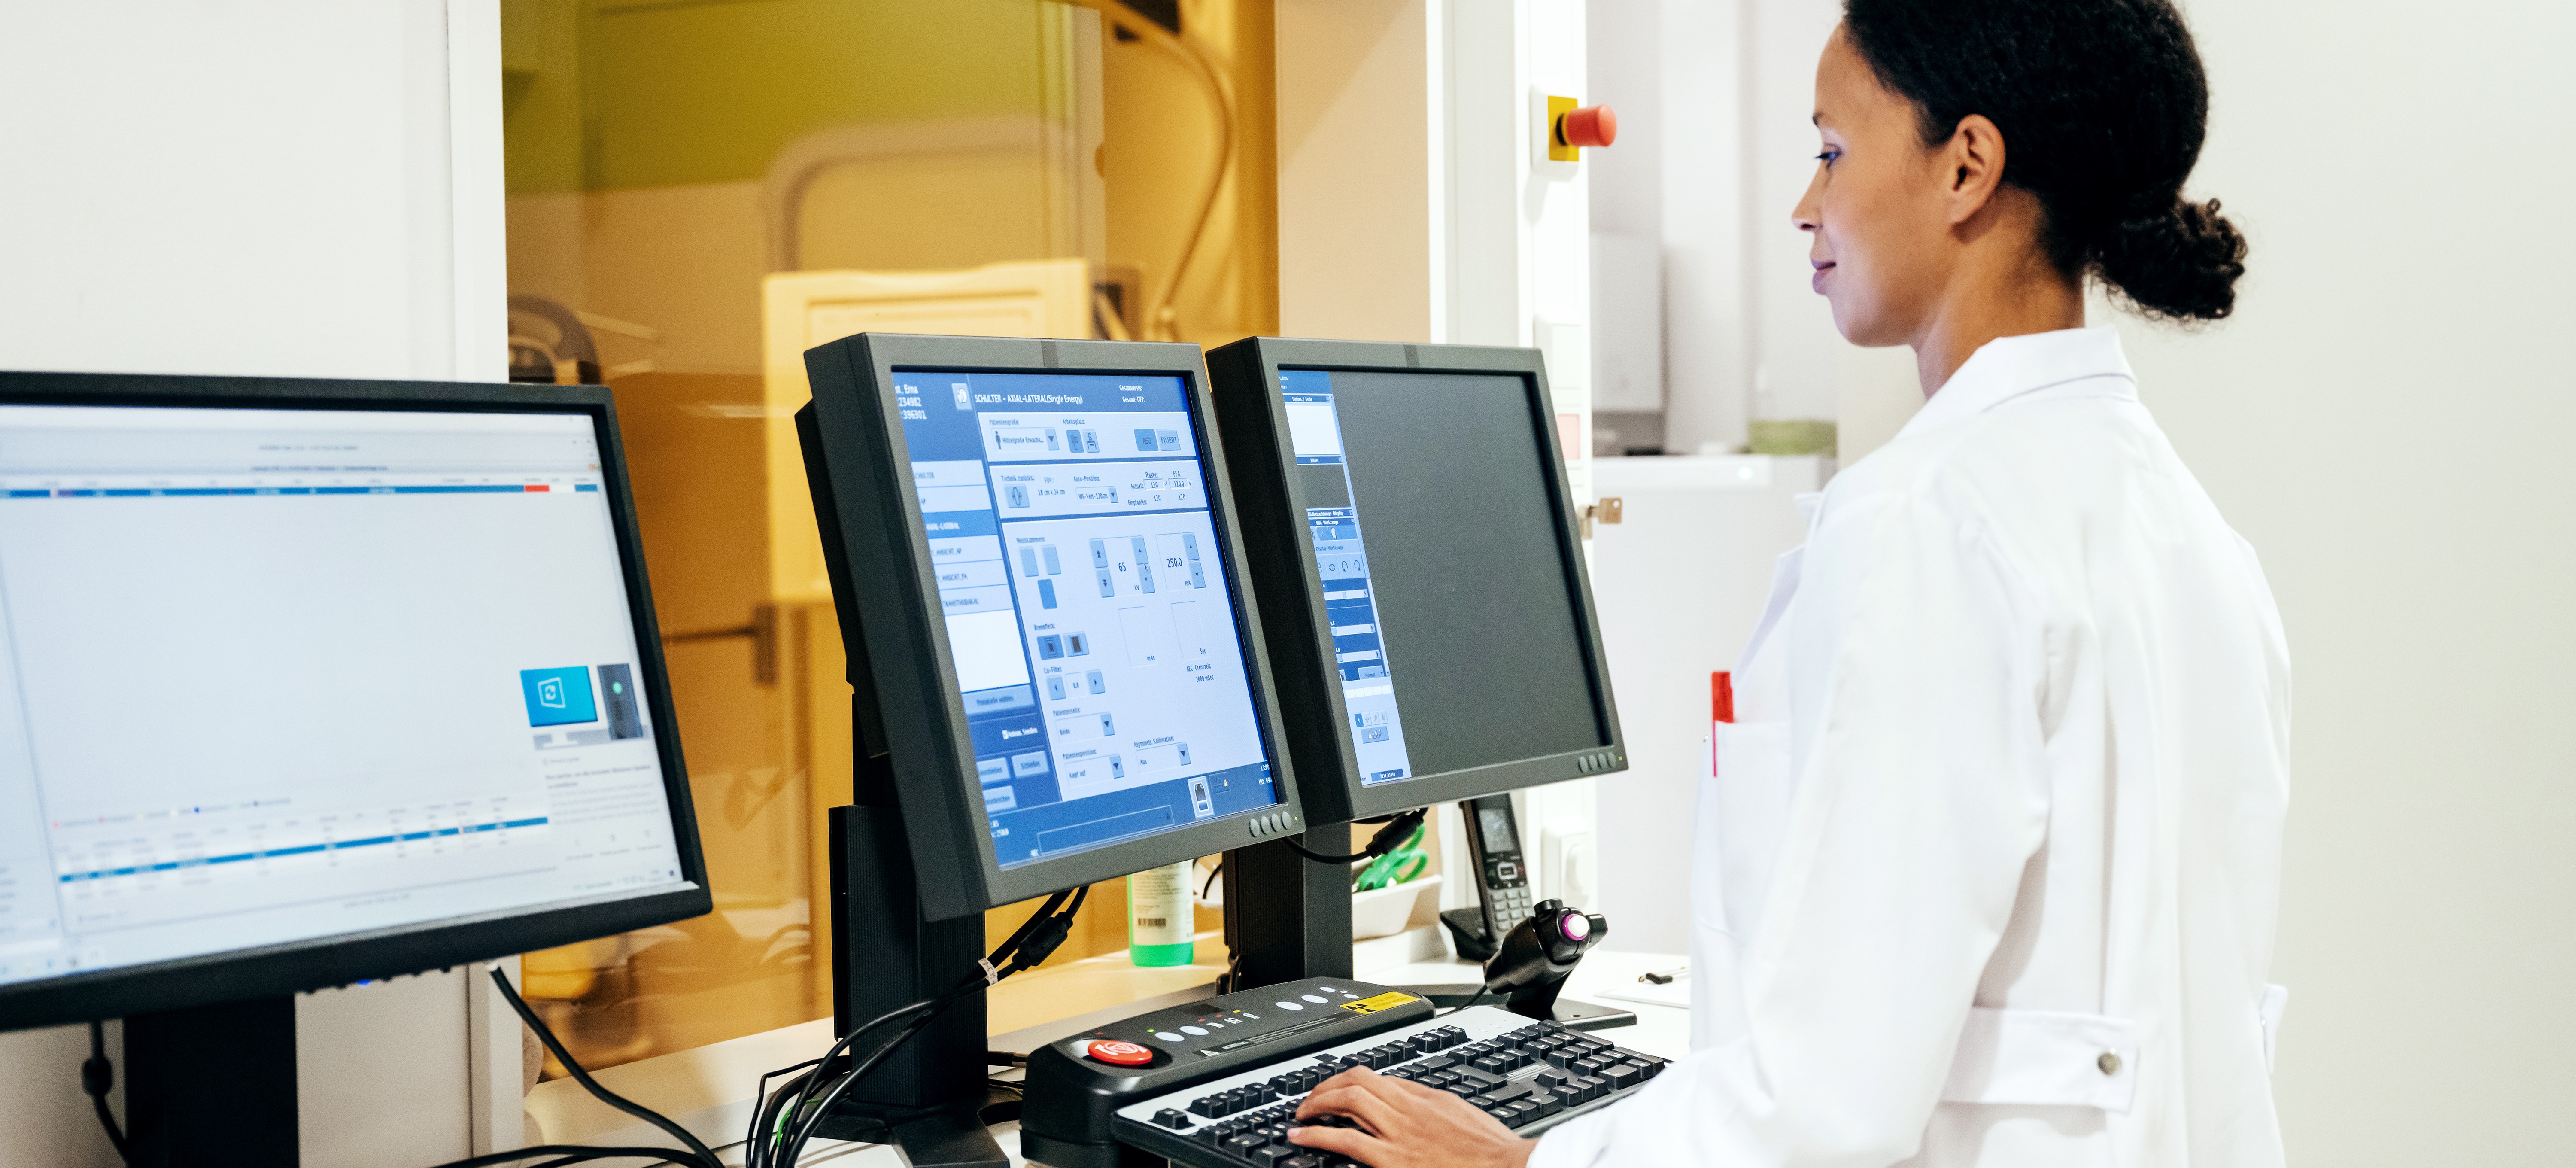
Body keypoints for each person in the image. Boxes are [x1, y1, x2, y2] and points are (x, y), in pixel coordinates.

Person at [1284, 0, 2289, 1164]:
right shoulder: (2185, 527)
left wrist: (1521, 1164)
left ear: (1967, 166)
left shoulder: (1931, 522)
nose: (1805, 206)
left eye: (1831, 151)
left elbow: (1821, 1107)